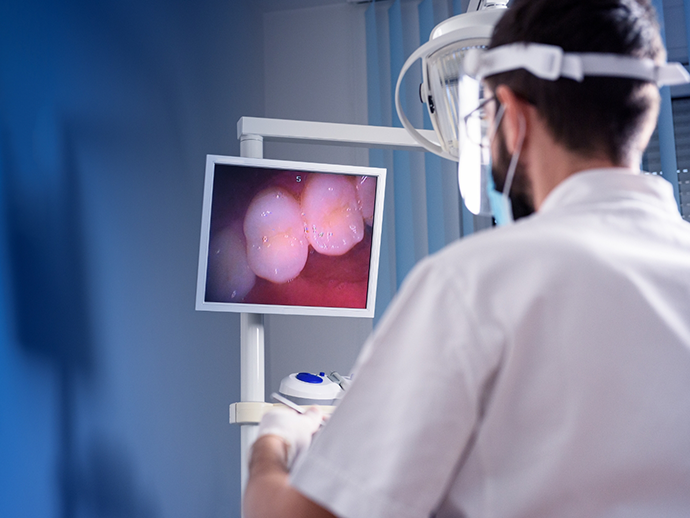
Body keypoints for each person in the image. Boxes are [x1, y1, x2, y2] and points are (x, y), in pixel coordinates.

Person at [244, 0, 690, 516]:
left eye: (486, 114)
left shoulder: (472, 286)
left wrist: (275, 441)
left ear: (515, 117)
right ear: (646, 108)